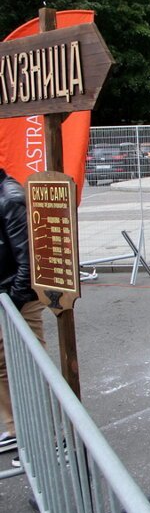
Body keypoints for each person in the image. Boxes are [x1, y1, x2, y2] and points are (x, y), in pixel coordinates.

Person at [0, 168, 46, 461]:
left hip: (16, 298)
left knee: (29, 366)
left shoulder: (10, 198)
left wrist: (14, 302)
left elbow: (28, 258)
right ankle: (15, 429)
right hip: (5, 295)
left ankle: (42, 435)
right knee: (2, 364)